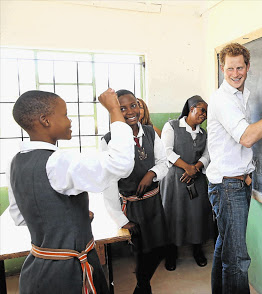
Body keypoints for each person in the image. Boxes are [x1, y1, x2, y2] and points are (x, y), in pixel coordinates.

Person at [7, 88, 134, 294]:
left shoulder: (16, 162)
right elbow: (120, 164)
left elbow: (21, 217)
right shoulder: (56, 161)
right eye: (65, 114)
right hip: (68, 274)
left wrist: (73, 218)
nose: (70, 121)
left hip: (38, 270)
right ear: (45, 120)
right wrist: (114, 111)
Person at [206, 43, 262, 293]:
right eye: (230, 68)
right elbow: (246, 138)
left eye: (240, 67)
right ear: (222, 69)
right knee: (237, 260)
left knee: (226, 248)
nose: (235, 73)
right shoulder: (223, 99)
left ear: (247, 67)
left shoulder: (241, 95)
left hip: (237, 182)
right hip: (227, 186)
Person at [102, 89, 170, 294]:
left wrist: (152, 173)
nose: (131, 111)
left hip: (154, 202)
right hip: (131, 206)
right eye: (122, 108)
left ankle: (142, 284)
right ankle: (143, 286)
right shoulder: (109, 140)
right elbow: (109, 183)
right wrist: (121, 220)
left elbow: (163, 162)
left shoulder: (150, 132)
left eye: (134, 105)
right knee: (141, 250)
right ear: (114, 112)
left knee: (160, 248)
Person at [160, 95, 215, 271]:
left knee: (197, 215)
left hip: (197, 179)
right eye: (202, 110)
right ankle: (171, 254)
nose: (205, 115)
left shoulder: (203, 133)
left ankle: (197, 251)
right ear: (191, 109)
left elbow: (207, 155)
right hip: (175, 179)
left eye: (206, 112)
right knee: (173, 214)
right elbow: (166, 151)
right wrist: (187, 168)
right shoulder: (171, 126)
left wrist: (196, 168)